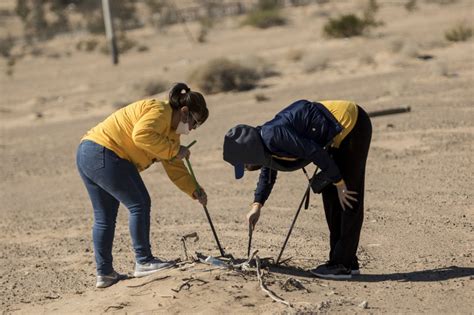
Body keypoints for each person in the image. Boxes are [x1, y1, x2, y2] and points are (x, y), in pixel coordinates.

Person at [76, 83, 209, 288]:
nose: (192, 129)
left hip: (89, 153)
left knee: (105, 216)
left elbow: (174, 166)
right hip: (106, 151)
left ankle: (105, 274)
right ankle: (144, 261)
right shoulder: (160, 111)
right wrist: (175, 150)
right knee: (139, 203)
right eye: (194, 122)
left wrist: (194, 189)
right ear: (184, 112)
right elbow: (142, 135)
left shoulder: (171, 134)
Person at [223, 99, 372, 279]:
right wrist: (257, 206)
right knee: (331, 196)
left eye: (244, 163)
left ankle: (341, 265)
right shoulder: (265, 143)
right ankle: (345, 260)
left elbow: (314, 152)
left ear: (249, 152)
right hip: (335, 134)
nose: (247, 167)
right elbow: (267, 175)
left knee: (348, 194)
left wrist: (340, 184)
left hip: (351, 123)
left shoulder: (273, 136)